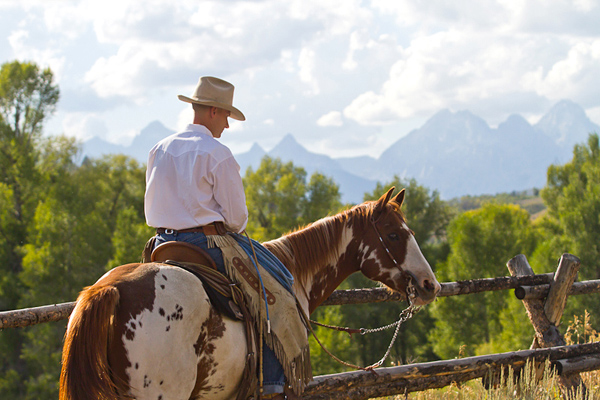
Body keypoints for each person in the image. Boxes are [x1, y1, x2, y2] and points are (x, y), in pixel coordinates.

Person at [144, 76, 288, 399]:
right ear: (212, 111)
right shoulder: (217, 153)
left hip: (161, 245)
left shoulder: (158, 149)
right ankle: (272, 386)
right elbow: (236, 220)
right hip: (206, 244)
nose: (227, 125)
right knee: (273, 291)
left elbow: (151, 205)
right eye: (225, 116)